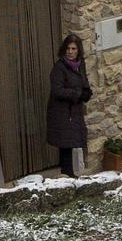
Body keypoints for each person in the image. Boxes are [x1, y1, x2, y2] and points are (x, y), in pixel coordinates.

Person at [46, 32, 93, 177]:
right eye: (68, 49)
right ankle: (67, 175)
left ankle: (71, 174)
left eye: (73, 49)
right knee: (65, 144)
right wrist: (77, 94)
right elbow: (57, 90)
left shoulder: (80, 64)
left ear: (78, 50)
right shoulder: (59, 68)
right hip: (62, 112)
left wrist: (86, 91)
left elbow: (83, 81)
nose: (70, 52)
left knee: (73, 141)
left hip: (74, 111)